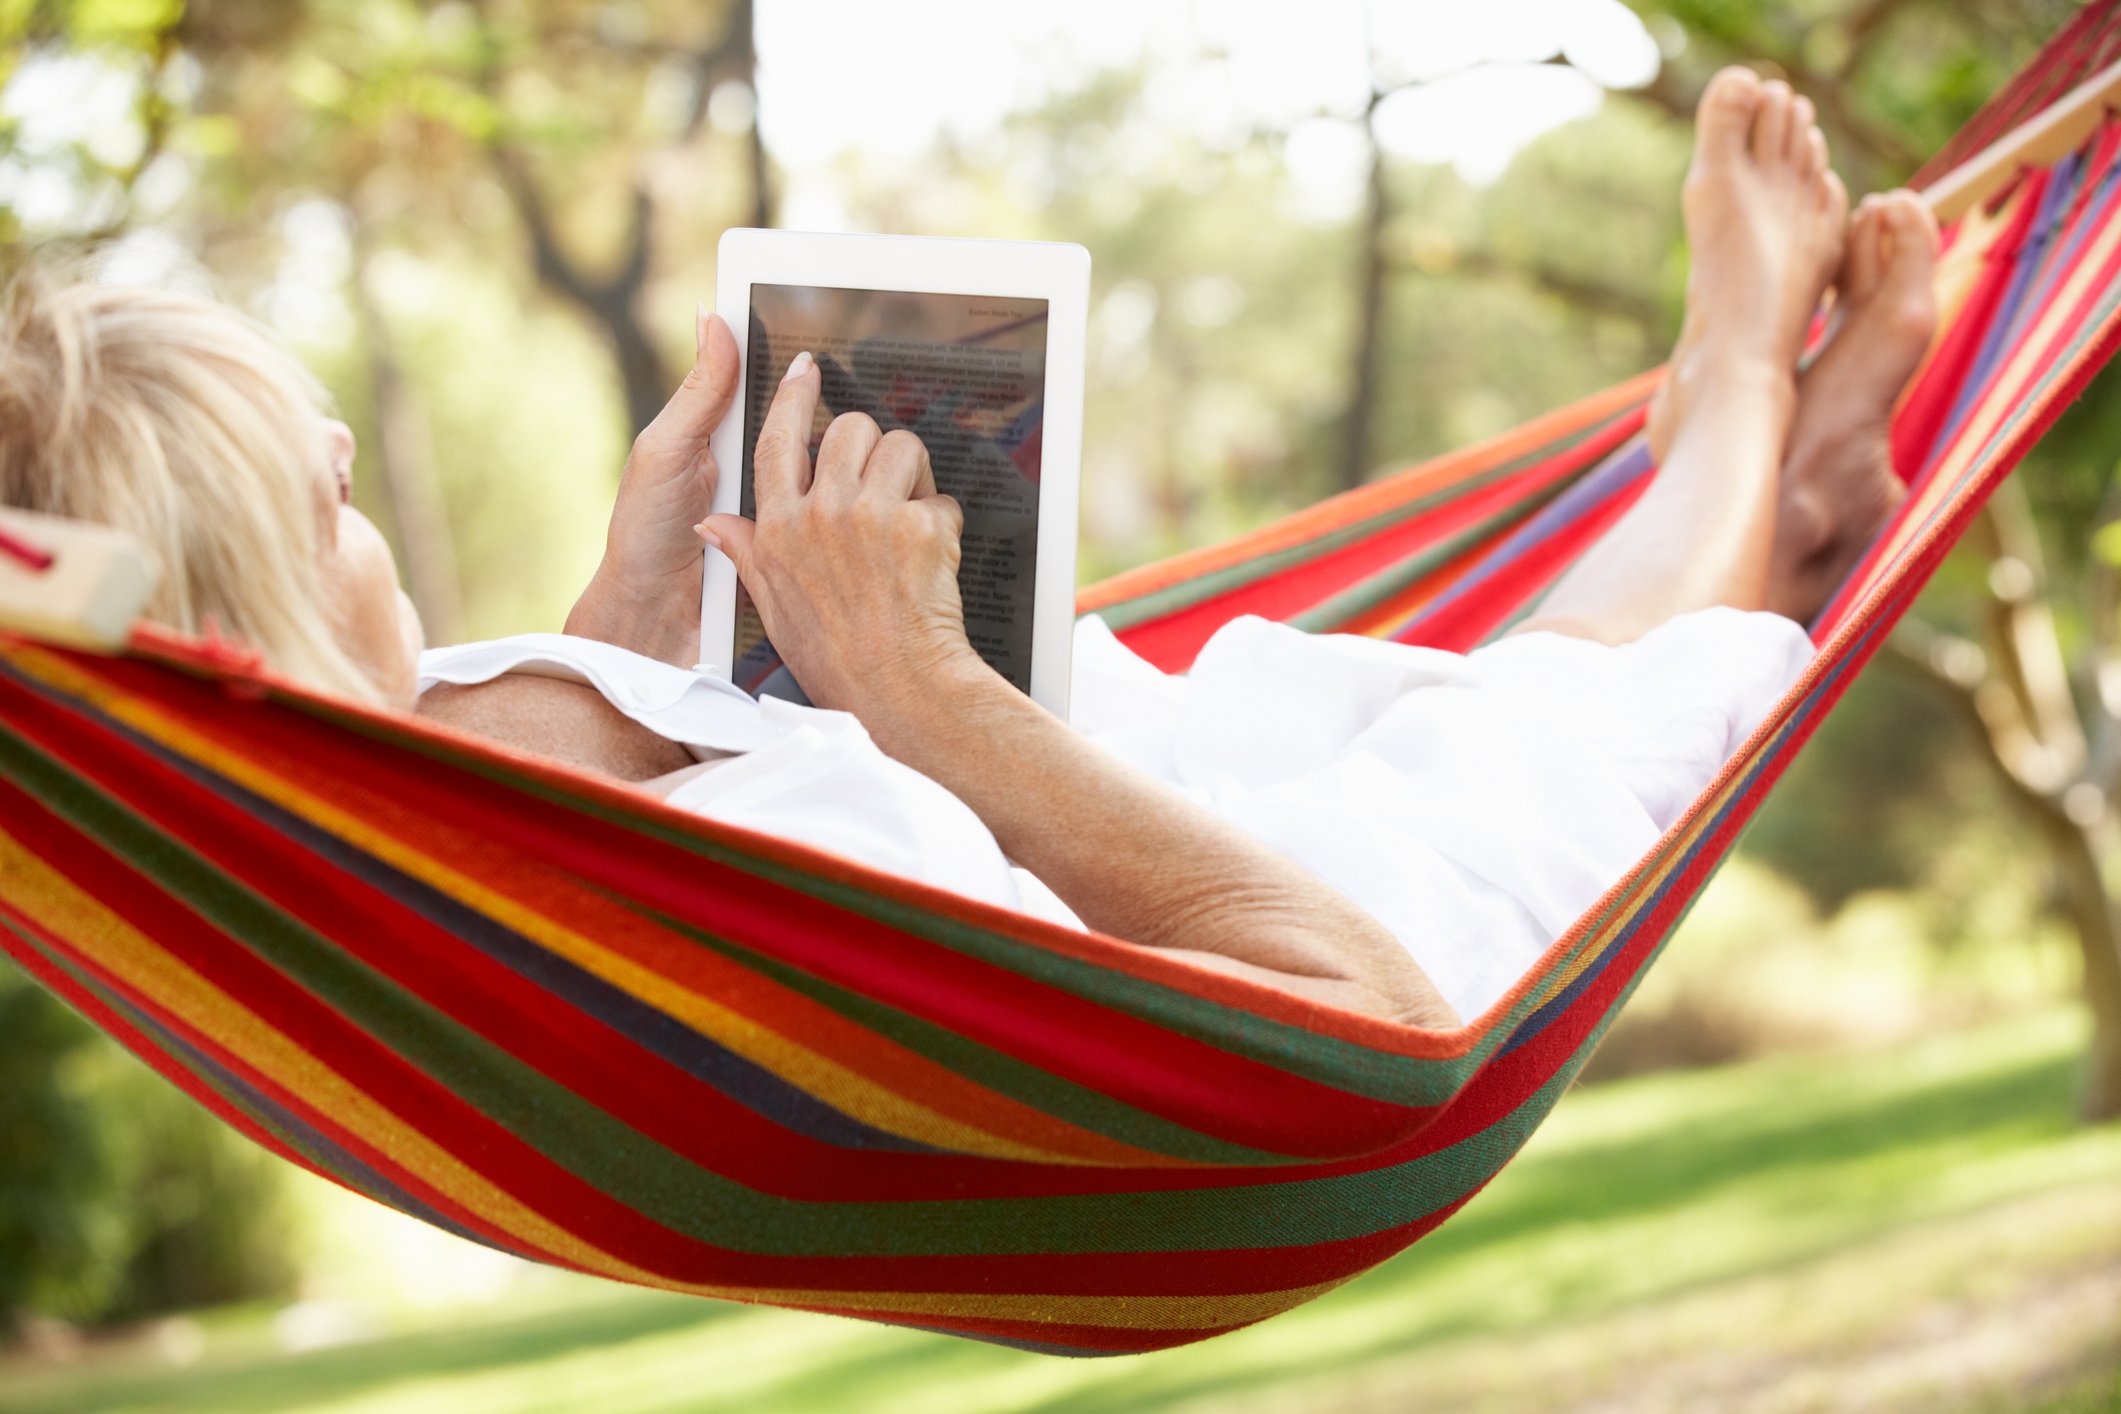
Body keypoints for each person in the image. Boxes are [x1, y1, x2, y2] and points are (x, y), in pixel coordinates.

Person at [0, 68, 1939, 1033]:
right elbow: (1373, 1007)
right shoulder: (448, 889)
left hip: (1174, 780)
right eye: (315, 493)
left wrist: (641, 596)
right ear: (238, 603)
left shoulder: (407, 781)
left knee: (1432, 702)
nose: (353, 459)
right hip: (1274, 943)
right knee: (1537, 726)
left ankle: (1772, 502)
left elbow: (597, 798)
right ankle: (1735, 413)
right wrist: (913, 679)